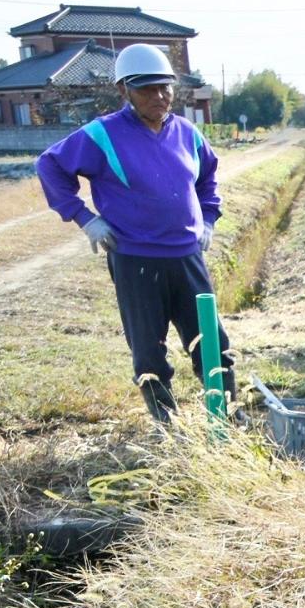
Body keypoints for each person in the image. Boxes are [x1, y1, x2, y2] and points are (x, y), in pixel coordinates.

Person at [36, 43, 231, 424]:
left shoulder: (187, 133)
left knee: (212, 342)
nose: (158, 96)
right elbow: (50, 165)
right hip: (136, 259)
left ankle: (224, 417)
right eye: (146, 89)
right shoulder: (102, 135)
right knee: (148, 350)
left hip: (187, 256)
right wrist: (85, 218)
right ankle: (166, 424)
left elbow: (208, 178)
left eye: (164, 87)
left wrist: (208, 217)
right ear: (124, 89)